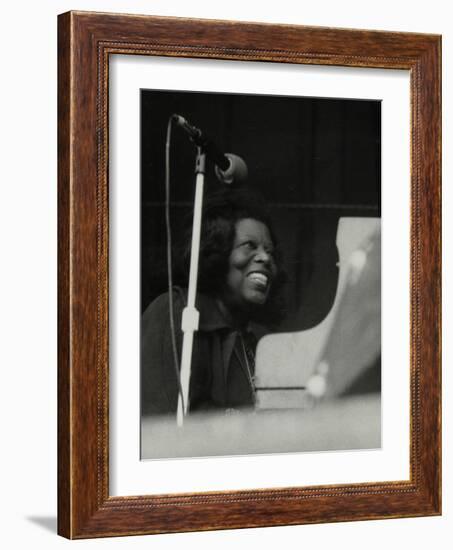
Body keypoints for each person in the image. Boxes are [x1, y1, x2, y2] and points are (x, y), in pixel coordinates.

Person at [141, 189, 286, 416]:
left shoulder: (253, 340)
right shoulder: (174, 312)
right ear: (218, 253)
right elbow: (167, 421)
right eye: (250, 245)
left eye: (270, 252)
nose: (266, 258)